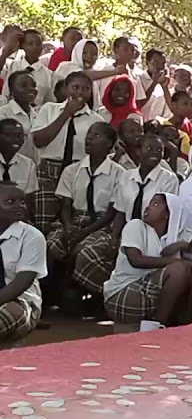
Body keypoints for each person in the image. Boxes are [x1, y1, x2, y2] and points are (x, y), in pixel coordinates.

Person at [103, 193, 192, 330]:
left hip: (153, 296)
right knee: (179, 268)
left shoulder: (180, 234)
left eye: (155, 204)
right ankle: (159, 325)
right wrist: (184, 263)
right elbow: (136, 260)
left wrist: (186, 245)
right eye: (149, 204)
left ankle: (185, 322)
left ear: (168, 214)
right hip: (124, 293)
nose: (147, 208)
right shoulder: (136, 226)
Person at [47, 121, 125, 297]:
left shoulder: (119, 173)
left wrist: (86, 232)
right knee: (51, 245)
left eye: (96, 135)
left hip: (102, 224)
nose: (89, 138)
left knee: (81, 251)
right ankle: (49, 293)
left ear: (109, 144)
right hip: (74, 220)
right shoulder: (72, 170)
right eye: (89, 134)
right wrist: (68, 227)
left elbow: (112, 212)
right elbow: (65, 205)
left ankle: (75, 292)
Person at [31, 72, 105, 232]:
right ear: (66, 89)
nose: (80, 92)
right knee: (44, 221)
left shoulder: (96, 120)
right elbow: (38, 141)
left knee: (71, 220)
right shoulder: (49, 109)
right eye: (75, 87)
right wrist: (66, 114)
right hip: (48, 172)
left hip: (78, 172)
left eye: (85, 89)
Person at [0, 183, 47, 348]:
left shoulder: (33, 237)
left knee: (7, 315)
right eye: (10, 202)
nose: (19, 206)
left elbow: (21, 284)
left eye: (22, 202)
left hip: (21, 301)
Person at [0, 69, 40, 161]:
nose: (31, 89)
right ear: (12, 90)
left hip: (31, 168)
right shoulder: (3, 114)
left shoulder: (38, 115)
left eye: (33, 85)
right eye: (23, 85)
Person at [0, 119, 36, 198]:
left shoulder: (28, 164)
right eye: (10, 136)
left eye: (20, 136)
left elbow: (28, 200)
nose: (16, 140)